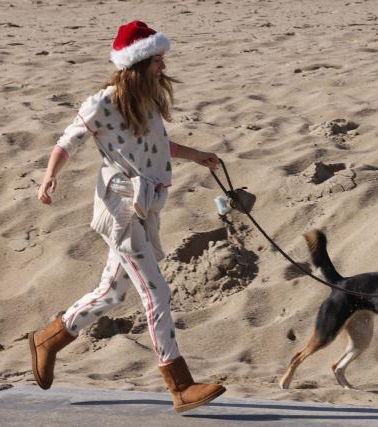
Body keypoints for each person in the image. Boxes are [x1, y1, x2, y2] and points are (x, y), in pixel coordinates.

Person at [29, 20, 226, 413]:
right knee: (157, 293)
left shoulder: (148, 100)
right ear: (137, 63)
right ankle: (180, 384)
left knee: (112, 292)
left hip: (145, 206)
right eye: (157, 60)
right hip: (120, 209)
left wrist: (197, 155)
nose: (163, 67)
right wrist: (50, 177)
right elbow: (67, 142)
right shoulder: (102, 103)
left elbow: (156, 145)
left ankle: (49, 339)